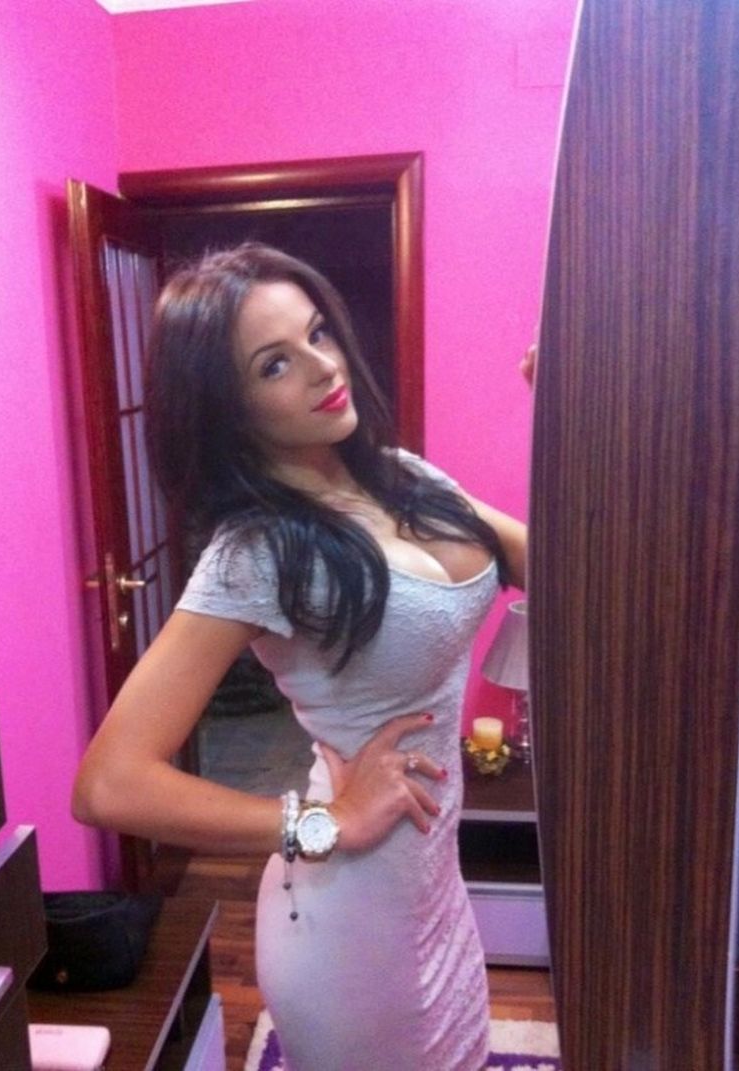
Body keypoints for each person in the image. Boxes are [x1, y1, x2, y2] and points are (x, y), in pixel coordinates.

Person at [72, 242, 527, 1071]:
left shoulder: (402, 477)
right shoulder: (259, 552)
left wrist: (570, 406)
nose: (324, 366)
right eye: (276, 364)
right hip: (351, 922)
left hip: (433, 886)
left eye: (318, 333)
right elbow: (109, 782)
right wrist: (322, 823)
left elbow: (555, 563)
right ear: (229, 409)